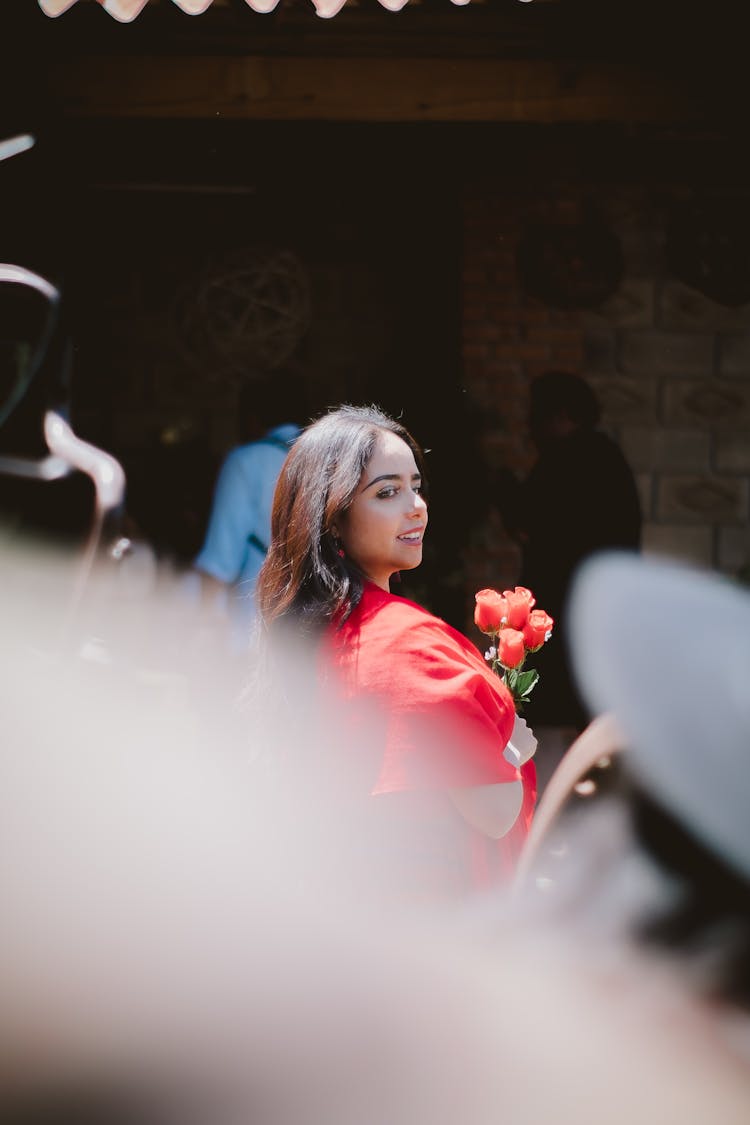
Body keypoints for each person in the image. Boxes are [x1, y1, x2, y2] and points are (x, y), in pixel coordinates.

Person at [256, 404, 536, 901]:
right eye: (387, 492)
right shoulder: (407, 645)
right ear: (333, 519)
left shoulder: (316, 637)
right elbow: (496, 813)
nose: (417, 506)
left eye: (415, 486)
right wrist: (515, 744)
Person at [497, 371, 641, 788]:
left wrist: (504, 489)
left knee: (552, 714)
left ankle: (547, 806)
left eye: (535, 415)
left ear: (558, 414)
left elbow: (526, 522)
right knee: (591, 712)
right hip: (605, 609)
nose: (529, 426)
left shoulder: (565, 458)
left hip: (565, 609)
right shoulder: (610, 458)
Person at [194, 373, 306, 649]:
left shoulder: (247, 460)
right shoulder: (325, 461)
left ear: (252, 417)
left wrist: (205, 636)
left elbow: (220, 560)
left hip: (252, 631)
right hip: (315, 633)